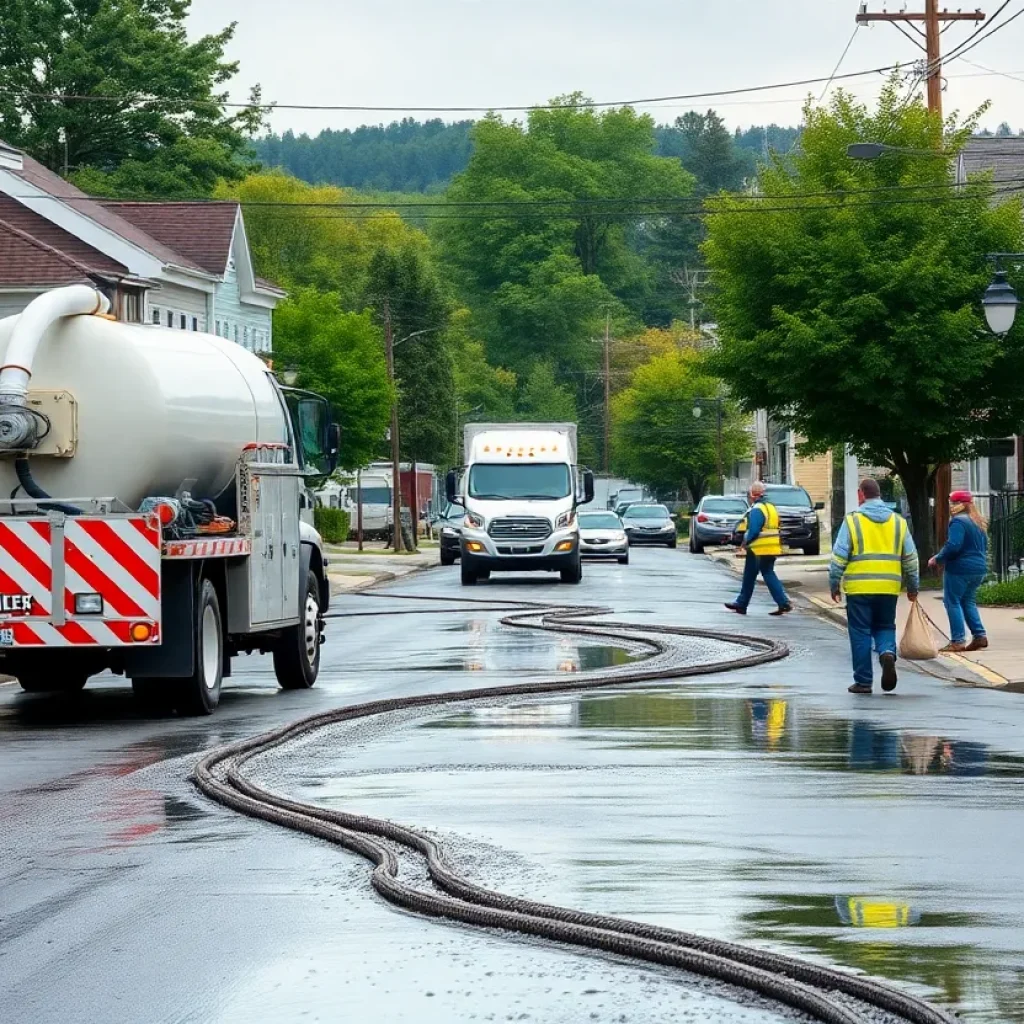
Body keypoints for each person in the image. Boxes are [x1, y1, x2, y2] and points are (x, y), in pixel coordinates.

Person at [830, 478, 919, 695]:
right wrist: (913, 585)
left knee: (860, 632)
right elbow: (911, 557)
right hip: (888, 587)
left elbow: (839, 556)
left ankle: (863, 681)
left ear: (861, 494)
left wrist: (834, 583)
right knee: (885, 626)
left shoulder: (852, 521)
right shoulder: (898, 522)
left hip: (860, 588)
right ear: (879, 495)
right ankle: (887, 653)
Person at [928, 490, 989, 653]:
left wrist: (938, 558)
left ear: (958, 505)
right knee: (968, 601)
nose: (951, 507)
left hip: (960, 568)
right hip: (978, 567)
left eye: (952, 504)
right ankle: (979, 635)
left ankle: (958, 640)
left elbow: (954, 545)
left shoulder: (958, 522)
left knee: (952, 601)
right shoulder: (978, 522)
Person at [725, 481, 792, 616]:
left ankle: (783, 602)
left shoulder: (757, 509)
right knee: (752, 575)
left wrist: (745, 541)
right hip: (771, 547)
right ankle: (742, 604)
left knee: (765, 573)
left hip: (758, 548)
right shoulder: (771, 507)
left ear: (753, 494)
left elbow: (754, 530)